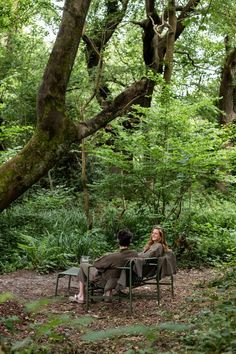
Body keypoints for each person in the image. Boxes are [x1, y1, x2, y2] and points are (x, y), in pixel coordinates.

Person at [69, 229, 138, 304]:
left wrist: (104, 257)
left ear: (118, 241)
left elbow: (96, 264)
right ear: (130, 241)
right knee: (110, 270)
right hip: (122, 280)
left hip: (105, 281)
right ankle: (107, 294)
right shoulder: (134, 254)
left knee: (83, 265)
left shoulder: (113, 257)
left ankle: (81, 296)